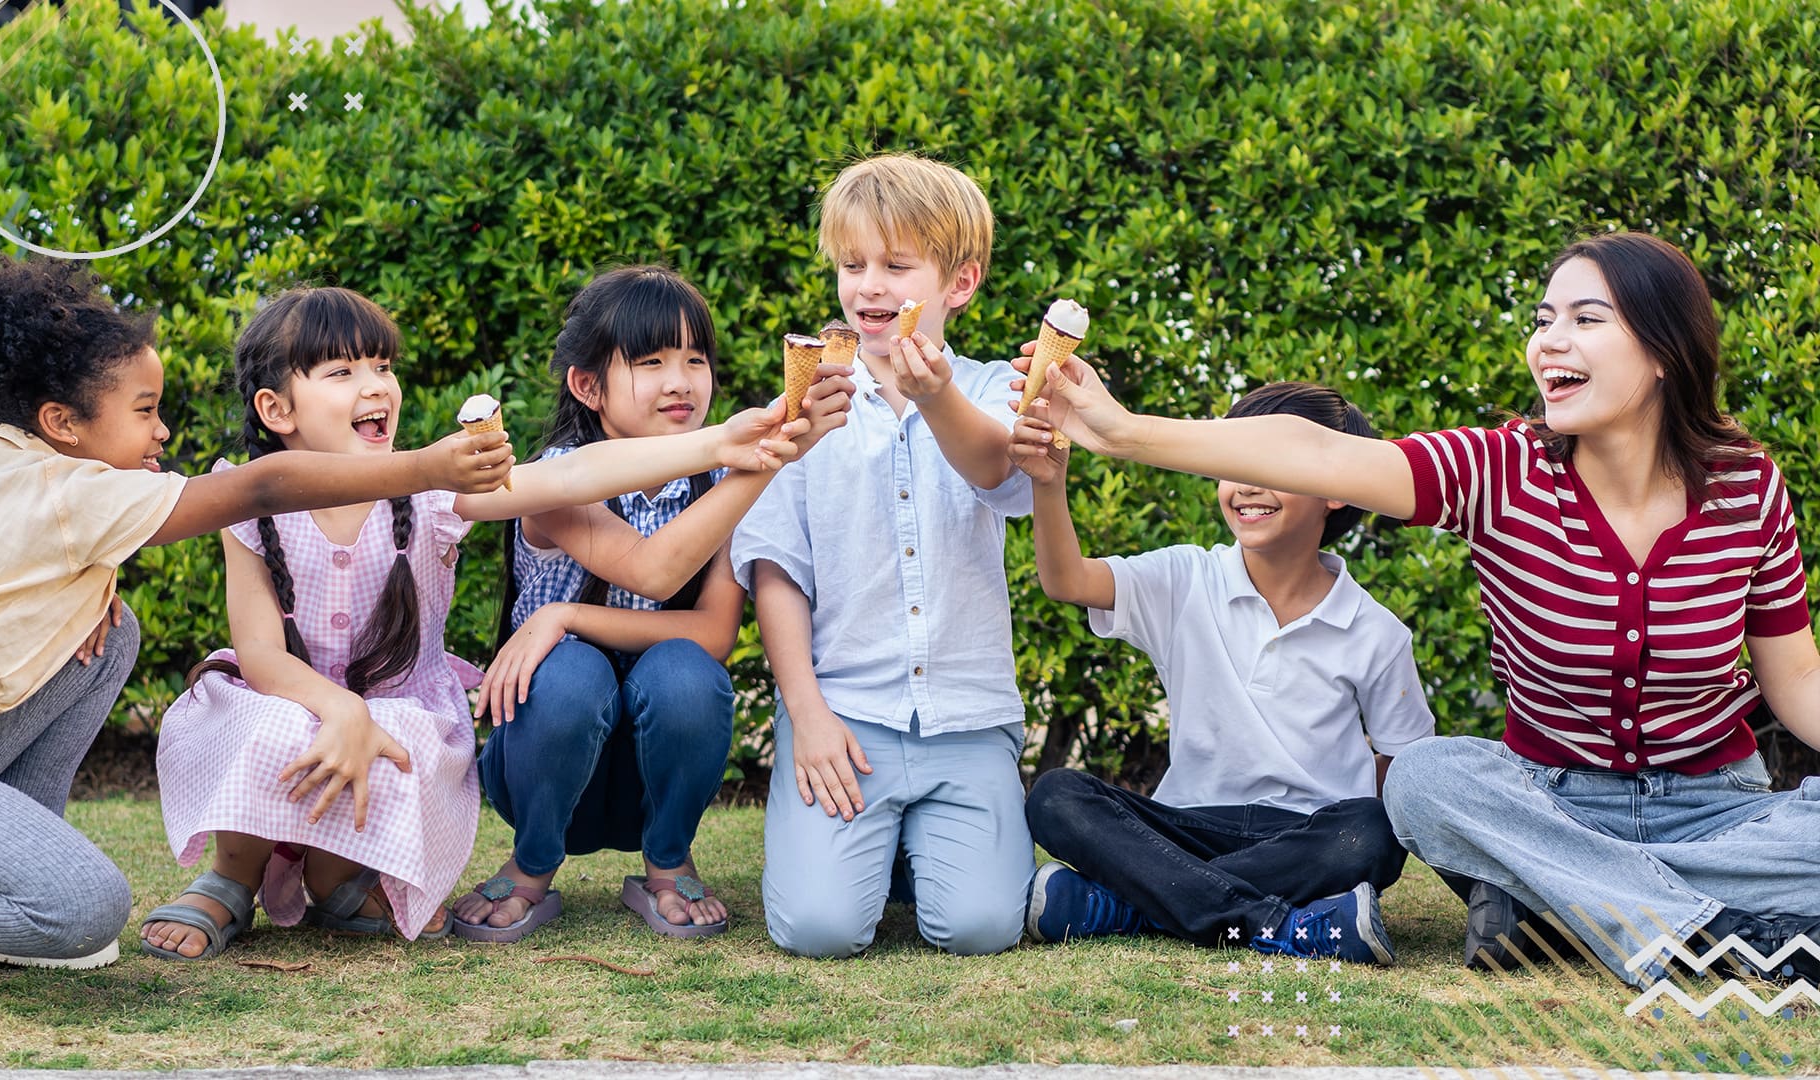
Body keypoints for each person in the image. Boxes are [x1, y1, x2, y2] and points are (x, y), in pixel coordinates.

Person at [1016, 231, 1820, 987]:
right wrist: (1119, 433)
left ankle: (1566, 901)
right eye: (1543, 321)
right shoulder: (1499, 470)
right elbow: (1322, 454)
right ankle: (1708, 927)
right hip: (1546, 804)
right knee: (1428, 779)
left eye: (1585, 319)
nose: (1549, 341)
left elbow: (1795, 679)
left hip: (1717, 809)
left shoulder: (1747, 487)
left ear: (1664, 353)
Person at [139, 285, 809, 960]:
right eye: (343, 372)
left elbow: (578, 472)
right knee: (269, 715)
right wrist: (339, 708)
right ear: (275, 408)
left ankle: (336, 871)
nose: (376, 387)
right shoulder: (252, 502)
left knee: (397, 732)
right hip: (297, 698)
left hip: (398, 712)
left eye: (382, 366)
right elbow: (258, 651)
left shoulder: (434, 494)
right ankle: (232, 876)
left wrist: (721, 444)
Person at [0, 258, 513, 969]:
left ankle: (11, 863)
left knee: (108, 636)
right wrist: (424, 468)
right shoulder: (74, 492)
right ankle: (0, 897)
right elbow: (264, 489)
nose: (162, 432)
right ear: (62, 422)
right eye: (144, 411)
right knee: (86, 912)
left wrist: (83, 598)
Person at [455, 266, 852, 942]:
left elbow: (715, 633)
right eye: (651, 362)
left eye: (696, 359)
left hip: (652, 773)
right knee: (572, 674)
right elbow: (655, 571)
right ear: (588, 385)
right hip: (542, 762)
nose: (681, 381)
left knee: (687, 674)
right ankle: (529, 866)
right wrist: (763, 464)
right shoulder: (554, 478)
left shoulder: (722, 480)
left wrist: (565, 615)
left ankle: (667, 861)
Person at [1014, 381, 1433, 965]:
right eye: (1233, 461)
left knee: (1373, 831)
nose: (1247, 483)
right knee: (1057, 795)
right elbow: (1066, 581)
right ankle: (1275, 923)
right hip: (1181, 824)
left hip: (1305, 837)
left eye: (1269, 462)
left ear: (1339, 486)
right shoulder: (1186, 578)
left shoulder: (1377, 632)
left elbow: (1400, 765)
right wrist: (1048, 484)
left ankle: (1134, 905)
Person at [732, 153, 1035, 958]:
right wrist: (807, 715)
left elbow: (1002, 476)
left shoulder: (997, 391)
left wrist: (936, 398)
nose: (868, 287)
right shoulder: (803, 409)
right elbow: (776, 571)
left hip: (968, 717)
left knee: (980, 929)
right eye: (851, 264)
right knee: (818, 931)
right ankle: (878, 838)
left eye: (896, 266)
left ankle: (914, 841)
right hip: (847, 717)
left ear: (958, 284)